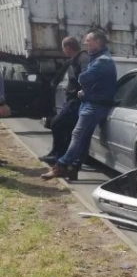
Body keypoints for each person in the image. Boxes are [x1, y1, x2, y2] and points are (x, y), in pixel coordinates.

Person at [41, 29, 117, 180]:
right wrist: (85, 91)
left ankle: (61, 166)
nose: (85, 43)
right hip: (91, 101)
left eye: (88, 40)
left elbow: (84, 78)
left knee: (77, 134)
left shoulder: (102, 61)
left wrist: (84, 84)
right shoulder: (99, 59)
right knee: (83, 138)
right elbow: (97, 82)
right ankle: (73, 169)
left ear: (97, 42)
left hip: (94, 105)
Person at [39, 37, 90, 165]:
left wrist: (82, 90)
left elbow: (87, 76)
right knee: (66, 129)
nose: (63, 51)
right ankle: (59, 155)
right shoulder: (73, 61)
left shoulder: (83, 58)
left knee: (56, 124)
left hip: (76, 101)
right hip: (71, 100)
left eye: (63, 48)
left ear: (68, 47)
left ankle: (58, 155)